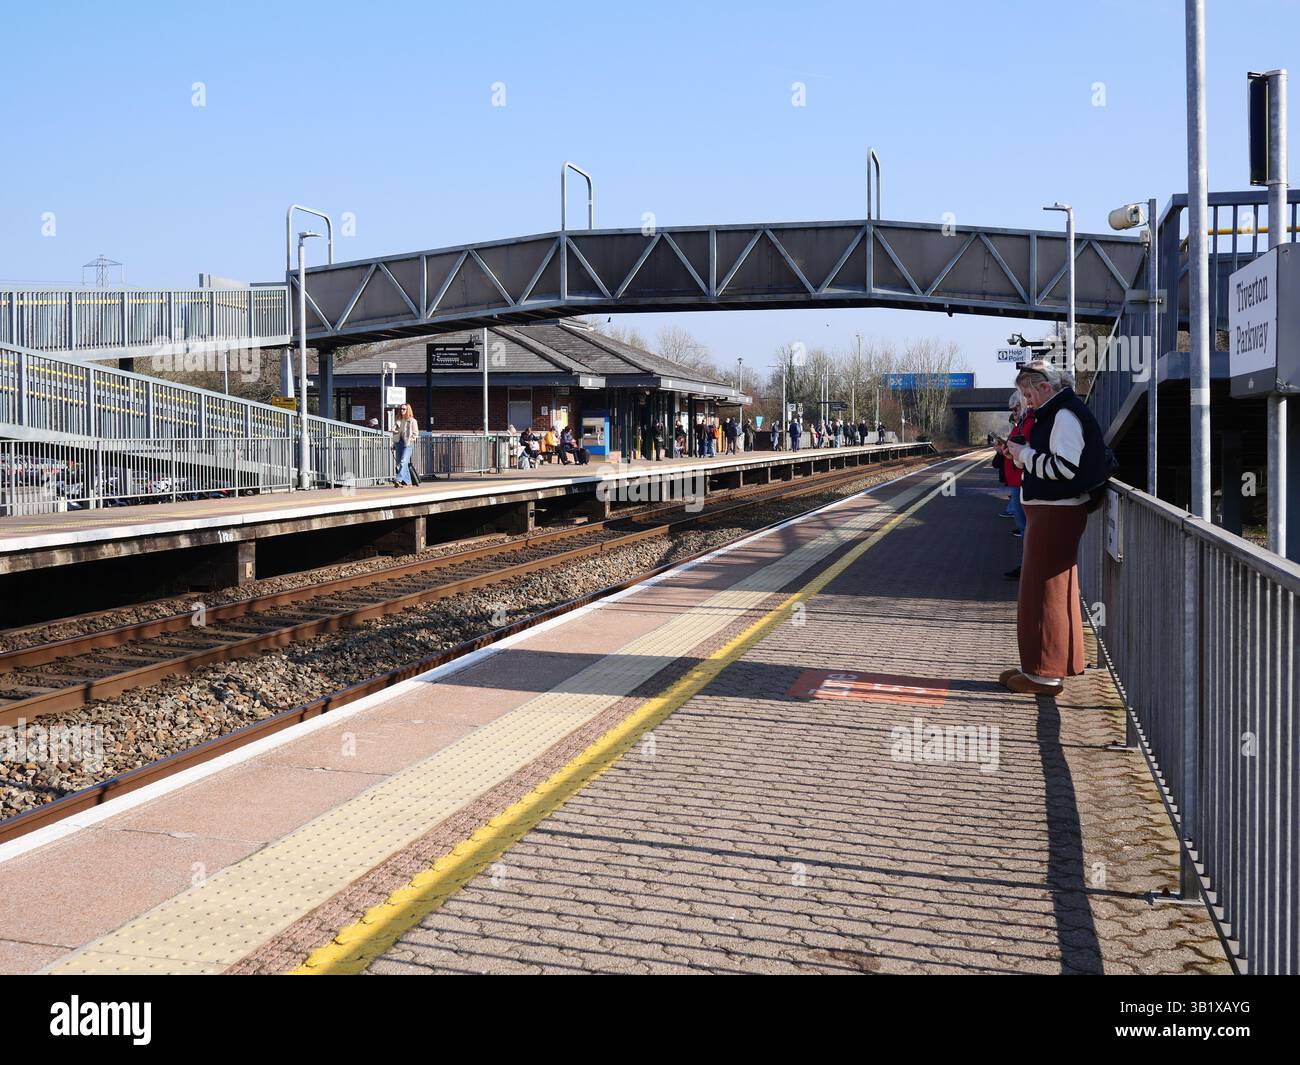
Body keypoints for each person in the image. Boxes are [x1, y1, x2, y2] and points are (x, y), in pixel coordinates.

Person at [999, 361, 1108, 696]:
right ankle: (1060, 662)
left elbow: (1064, 467)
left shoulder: (1063, 415)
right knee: (1056, 591)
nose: (1027, 401)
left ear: (1045, 387)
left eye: (1029, 394)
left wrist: (1025, 454)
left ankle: (1045, 673)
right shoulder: (1062, 411)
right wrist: (1020, 455)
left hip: (1055, 513)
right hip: (1054, 512)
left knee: (1044, 593)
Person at [999, 393, 1035, 580]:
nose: (1013, 413)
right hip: (1016, 479)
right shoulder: (1022, 423)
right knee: (1024, 528)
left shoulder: (1029, 421)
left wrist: (1010, 453)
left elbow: (1024, 450)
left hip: (1020, 481)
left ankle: (1027, 568)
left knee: (1026, 528)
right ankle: (1026, 566)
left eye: (1015, 409)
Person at [391, 402, 419, 486]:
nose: (402, 410)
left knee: (403, 461)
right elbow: (396, 433)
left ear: (408, 410)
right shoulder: (398, 420)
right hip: (399, 443)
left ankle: (398, 479)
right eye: (401, 409)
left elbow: (415, 433)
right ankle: (408, 482)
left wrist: (411, 439)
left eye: (404, 409)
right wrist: (393, 444)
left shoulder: (412, 421)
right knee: (400, 463)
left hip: (408, 443)